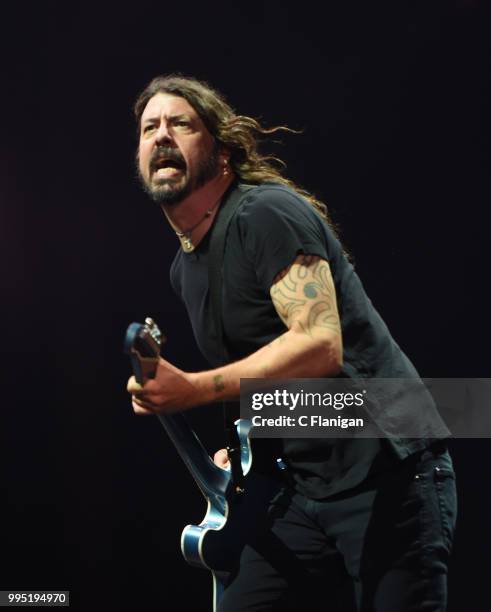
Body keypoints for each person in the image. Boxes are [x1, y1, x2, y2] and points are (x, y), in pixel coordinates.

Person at [127, 74, 457, 611]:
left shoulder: (265, 214)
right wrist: (243, 445)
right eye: (148, 128)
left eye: (180, 124)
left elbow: (319, 345)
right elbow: (266, 373)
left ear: (221, 149)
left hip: (387, 471)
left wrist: (193, 388)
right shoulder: (183, 269)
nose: (161, 135)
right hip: (301, 489)